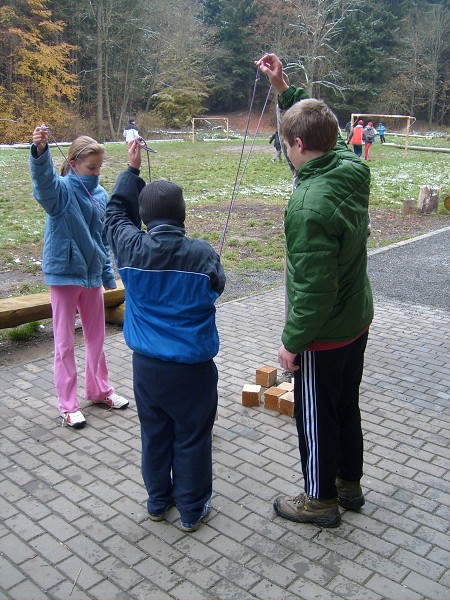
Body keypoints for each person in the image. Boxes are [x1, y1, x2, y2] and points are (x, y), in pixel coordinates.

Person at [256, 53, 373, 528]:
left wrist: (292, 343)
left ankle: (321, 500)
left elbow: (313, 290)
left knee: (315, 417)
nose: (285, 152)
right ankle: (350, 484)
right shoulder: (350, 166)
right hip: (356, 321)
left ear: (299, 146)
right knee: (346, 405)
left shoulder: (306, 205)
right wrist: (283, 87)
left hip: (324, 334)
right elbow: (328, 132)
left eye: (286, 144)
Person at [105, 141, 226, 532]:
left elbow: (113, 216)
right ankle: (191, 510)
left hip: (148, 371)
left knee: (155, 436)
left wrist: (131, 170)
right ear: (183, 214)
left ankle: (159, 502)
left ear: (143, 215)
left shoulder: (131, 248)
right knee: (191, 439)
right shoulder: (202, 254)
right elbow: (217, 285)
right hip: (192, 370)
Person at [29, 127, 130, 429]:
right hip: (64, 275)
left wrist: (106, 273)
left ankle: (99, 389)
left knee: (96, 338)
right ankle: (68, 404)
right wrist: (39, 153)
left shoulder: (100, 195)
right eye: (91, 167)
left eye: (99, 167)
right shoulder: (61, 191)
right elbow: (44, 183)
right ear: (73, 163)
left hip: (91, 278)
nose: (96, 172)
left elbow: (102, 239)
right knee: (64, 343)